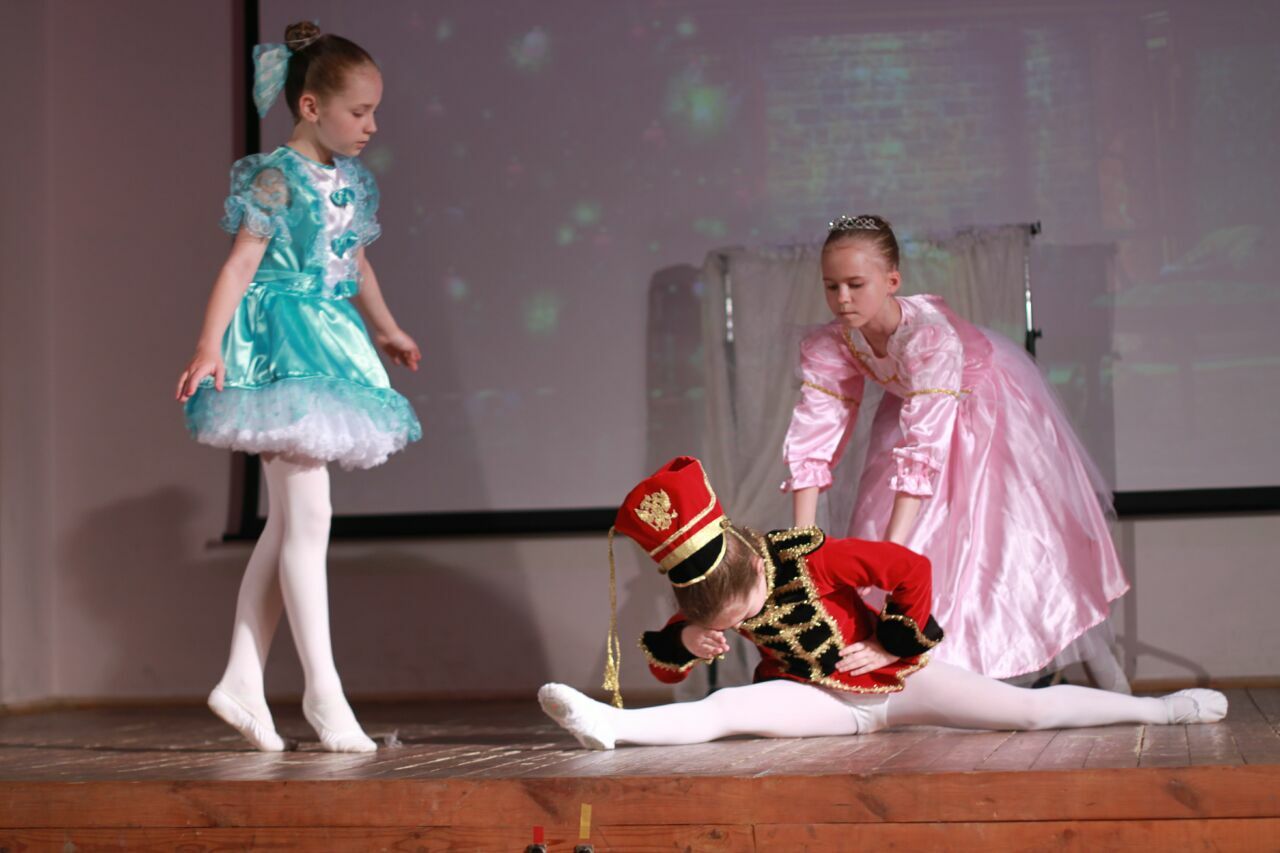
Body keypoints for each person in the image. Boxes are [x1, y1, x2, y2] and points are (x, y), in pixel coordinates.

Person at [538, 457, 1223, 750]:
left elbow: (911, 569)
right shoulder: (714, 598)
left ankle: (1162, 710)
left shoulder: (815, 557)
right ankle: (612, 726)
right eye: (730, 626)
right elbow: (667, 662)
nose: (741, 627)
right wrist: (688, 642)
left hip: (898, 684)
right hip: (816, 701)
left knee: (1029, 713)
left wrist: (892, 641)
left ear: (750, 560)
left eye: (743, 614)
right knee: (723, 711)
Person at [175, 21, 421, 752]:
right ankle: (323, 691)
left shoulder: (350, 181)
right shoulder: (274, 176)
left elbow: (357, 264)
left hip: (331, 340)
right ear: (311, 106)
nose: (371, 126)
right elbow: (239, 265)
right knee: (308, 518)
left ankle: (242, 678)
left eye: (375, 112)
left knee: (291, 524)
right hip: (278, 345)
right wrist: (208, 345)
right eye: (359, 112)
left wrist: (386, 328)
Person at [782, 215, 1129, 689]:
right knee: (889, 533)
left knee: (1004, 542)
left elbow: (924, 447)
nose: (843, 298)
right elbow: (814, 433)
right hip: (913, 404)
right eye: (832, 286)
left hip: (987, 402)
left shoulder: (929, 336)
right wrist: (801, 543)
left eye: (856, 285)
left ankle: (1100, 673)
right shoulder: (832, 342)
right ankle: (936, 678)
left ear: (892, 281)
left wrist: (892, 557)